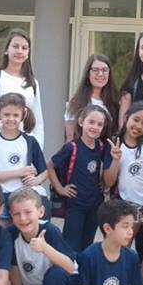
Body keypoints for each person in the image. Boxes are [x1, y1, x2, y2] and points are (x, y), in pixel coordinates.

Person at [102, 101, 143, 285]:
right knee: (124, 245)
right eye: (135, 120)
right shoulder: (114, 145)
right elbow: (108, 181)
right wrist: (115, 159)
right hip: (130, 203)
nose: (138, 126)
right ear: (126, 117)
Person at [48, 105, 114, 252]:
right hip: (75, 203)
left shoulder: (101, 146)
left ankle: (83, 267)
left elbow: (105, 171)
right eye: (91, 122)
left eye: (99, 124)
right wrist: (60, 188)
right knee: (71, 245)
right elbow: (50, 165)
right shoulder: (71, 147)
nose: (95, 127)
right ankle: (68, 267)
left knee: (87, 244)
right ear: (81, 122)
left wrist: (104, 183)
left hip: (95, 203)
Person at [0, 92, 49, 225]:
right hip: (0, 197)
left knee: (24, 233)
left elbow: (45, 171)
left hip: (25, 197)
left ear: (23, 114)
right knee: (2, 234)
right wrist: (18, 172)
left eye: (16, 115)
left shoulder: (29, 141)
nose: (11, 119)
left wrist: (37, 180)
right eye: (6, 114)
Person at [0, 28, 45, 148]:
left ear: (28, 53)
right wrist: (1, 141)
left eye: (24, 48)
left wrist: (37, 146)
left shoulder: (32, 83)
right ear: (6, 50)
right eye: (15, 46)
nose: (20, 51)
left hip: (24, 146)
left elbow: (37, 120)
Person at [65, 54, 120, 142]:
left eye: (105, 70)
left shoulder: (115, 102)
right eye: (95, 70)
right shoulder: (76, 103)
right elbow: (70, 137)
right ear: (88, 73)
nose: (100, 74)